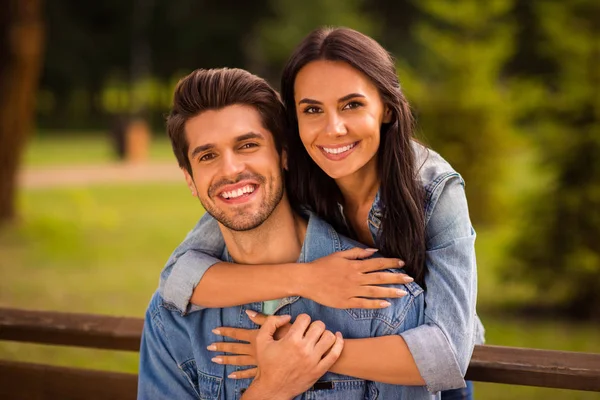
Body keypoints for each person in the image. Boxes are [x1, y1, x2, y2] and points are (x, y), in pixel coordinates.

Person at [160, 27, 484, 399]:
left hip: (430, 373)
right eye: (312, 109)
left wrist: (300, 356)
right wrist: (308, 278)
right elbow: (179, 278)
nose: (333, 129)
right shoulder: (283, 173)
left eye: (352, 105)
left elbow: (445, 357)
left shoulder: (433, 189)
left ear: (388, 107)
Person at [138, 67, 428, 399]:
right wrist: (271, 389)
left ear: (284, 154)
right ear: (190, 179)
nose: (230, 169)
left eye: (247, 145)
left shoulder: (383, 297)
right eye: (208, 156)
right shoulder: (172, 317)